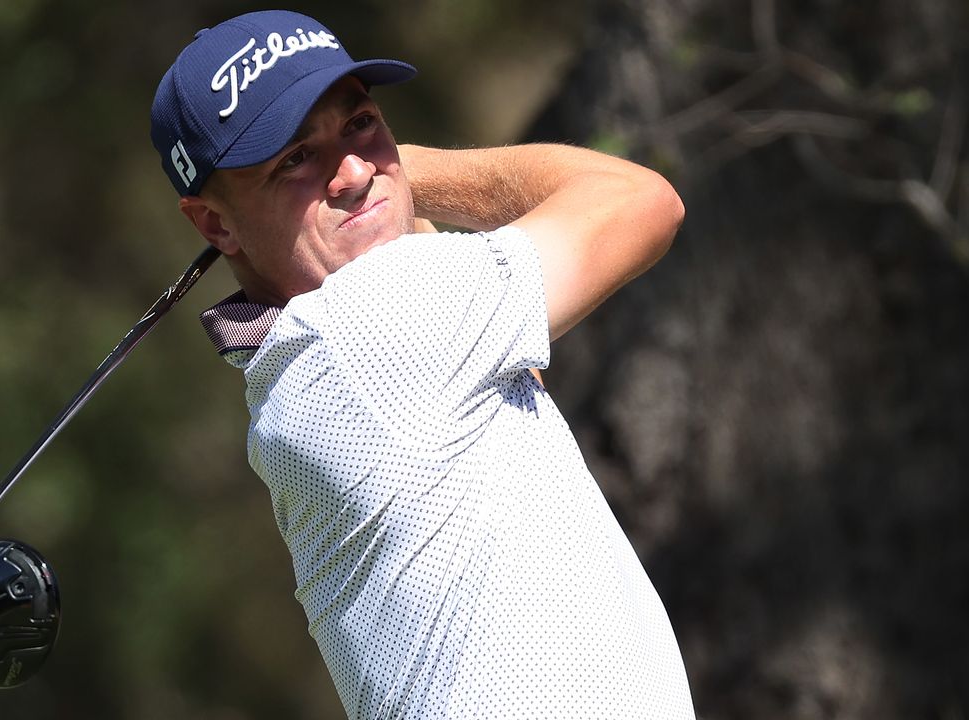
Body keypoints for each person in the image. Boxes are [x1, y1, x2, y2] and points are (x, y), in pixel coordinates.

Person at [150, 10, 694, 719]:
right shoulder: (377, 324)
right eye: (294, 159)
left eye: (361, 123)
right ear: (216, 225)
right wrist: (406, 167)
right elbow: (641, 202)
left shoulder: (301, 364)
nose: (349, 171)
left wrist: (379, 183)